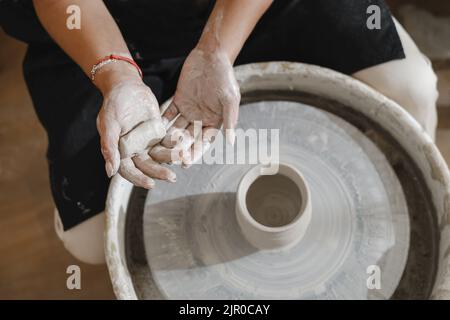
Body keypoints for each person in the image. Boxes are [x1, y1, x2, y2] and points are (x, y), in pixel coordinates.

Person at [0, 0, 438, 264]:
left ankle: (400, 217)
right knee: (91, 238)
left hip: (261, 8)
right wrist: (119, 78)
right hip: (116, 30)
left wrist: (215, 50)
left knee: (411, 90)